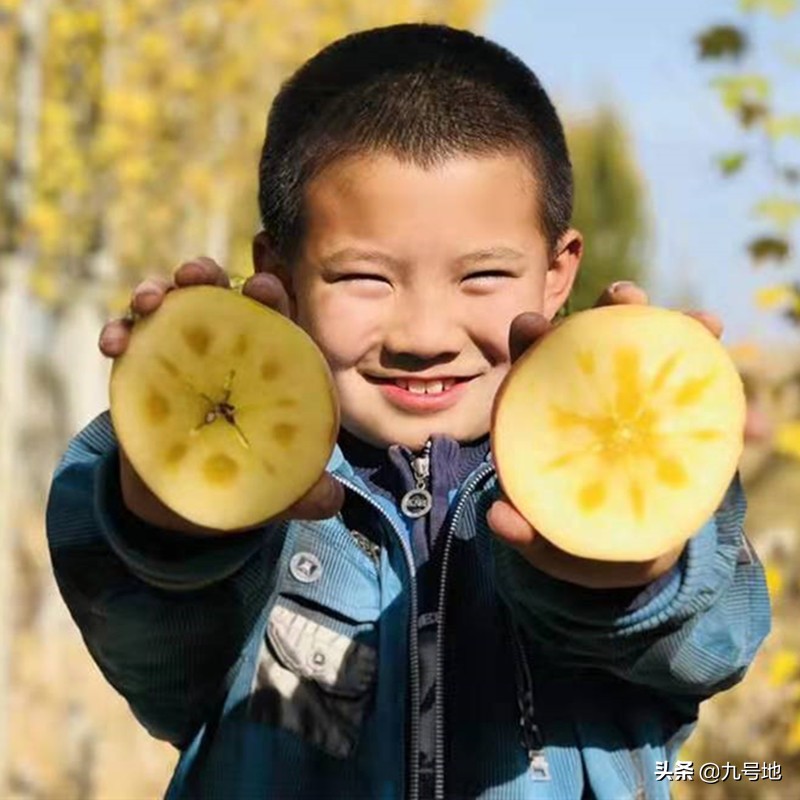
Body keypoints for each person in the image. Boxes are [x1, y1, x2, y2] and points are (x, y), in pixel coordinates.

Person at [46, 23, 771, 800]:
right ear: (277, 272)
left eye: (484, 275)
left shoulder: (618, 481)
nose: (424, 337)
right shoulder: (269, 518)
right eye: (365, 278)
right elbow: (148, 643)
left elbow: (714, 642)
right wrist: (167, 518)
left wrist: (633, 573)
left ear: (558, 274)